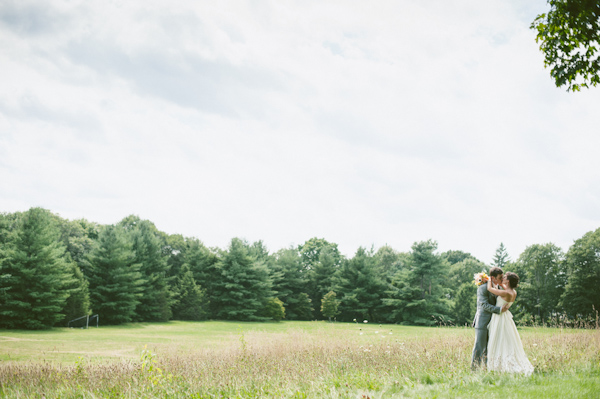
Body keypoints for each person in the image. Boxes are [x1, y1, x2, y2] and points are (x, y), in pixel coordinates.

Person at [486, 272, 534, 375]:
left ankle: (497, 364)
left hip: (499, 318)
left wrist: (489, 278)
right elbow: (504, 287)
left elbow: (490, 289)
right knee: (505, 340)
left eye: (504, 277)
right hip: (505, 317)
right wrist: (499, 282)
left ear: (508, 281)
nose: (502, 278)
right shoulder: (513, 292)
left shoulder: (506, 293)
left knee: (499, 339)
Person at [471, 267, 506, 369]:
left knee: (490, 347)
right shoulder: (483, 288)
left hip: (494, 322)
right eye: (500, 278)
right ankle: (474, 370)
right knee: (479, 346)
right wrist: (499, 309)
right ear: (493, 278)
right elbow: (484, 305)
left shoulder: (499, 289)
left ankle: (487, 368)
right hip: (482, 321)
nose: (502, 279)